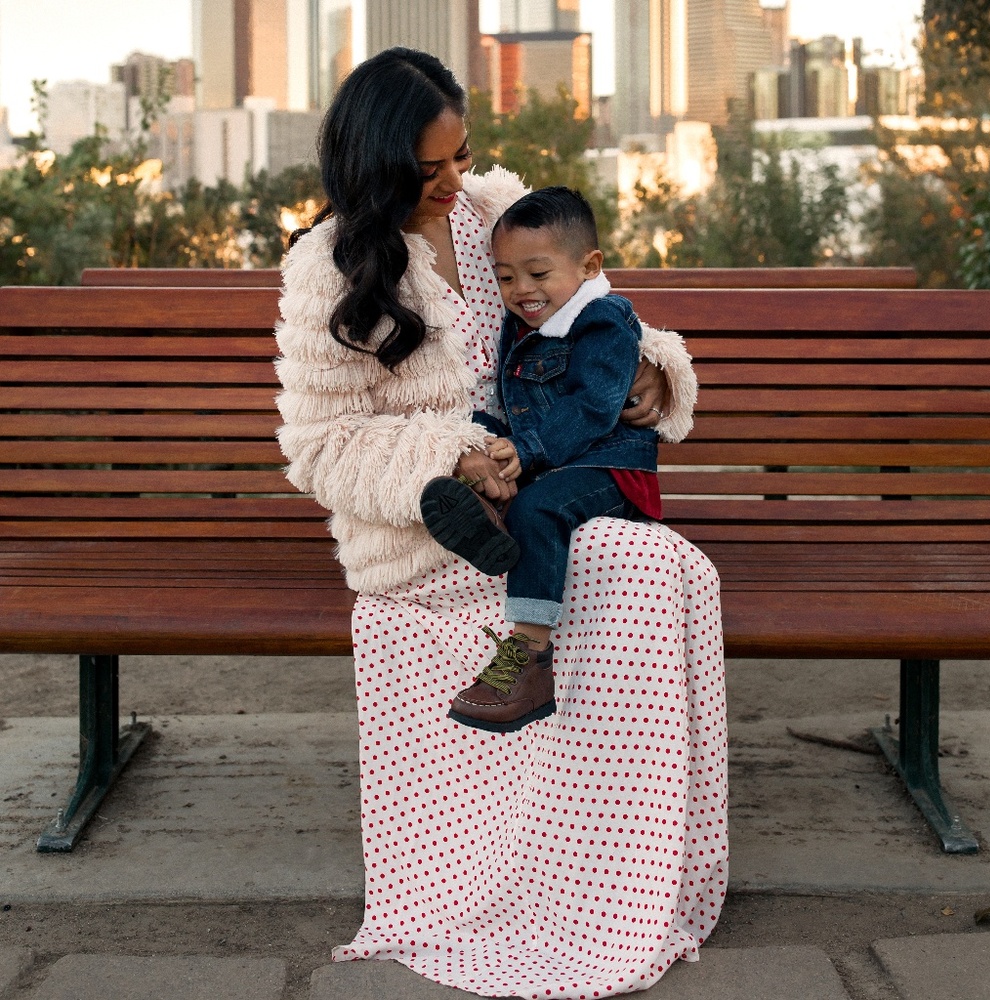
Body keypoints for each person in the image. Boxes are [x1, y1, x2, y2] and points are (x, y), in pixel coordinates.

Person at [275, 46, 727, 1000]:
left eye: (460, 156)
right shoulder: (330, 265)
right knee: (609, 560)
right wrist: (453, 458)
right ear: (374, 164)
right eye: (427, 168)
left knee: (654, 565)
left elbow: (578, 305)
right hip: (426, 525)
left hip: (546, 468)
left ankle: (620, 874)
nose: (451, 182)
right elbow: (321, 449)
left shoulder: (491, 208)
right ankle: (542, 869)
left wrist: (650, 370)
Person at [420, 186, 666, 734]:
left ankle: (527, 659)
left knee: (537, 510)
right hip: (549, 452)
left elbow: (594, 407)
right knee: (476, 432)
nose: (521, 291)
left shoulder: (604, 320)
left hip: (607, 466)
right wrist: (484, 443)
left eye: (537, 274)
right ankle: (481, 505)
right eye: (506, 278)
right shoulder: (526, 323)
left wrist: (527, 449)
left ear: (589, 265)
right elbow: (513, 403)